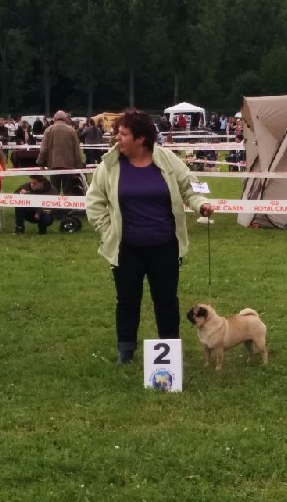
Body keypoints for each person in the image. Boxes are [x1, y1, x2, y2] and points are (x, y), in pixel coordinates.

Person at [86, 108, 215, 365]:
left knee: (167, 301)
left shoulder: (167, 160)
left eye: (123, 134)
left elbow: (190, 187)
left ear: (141, 139)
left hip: (165, 246)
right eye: (117, 134)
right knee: (127, 301)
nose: (117, 139)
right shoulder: (109, 165)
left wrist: (201, 203)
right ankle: (126, 351)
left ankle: (170, 351)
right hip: (126, 248)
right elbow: (94, 201)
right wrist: (107, 230)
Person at [37, 109, 84, 195]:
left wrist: (41, 163)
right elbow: (76, 150)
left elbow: (43, 149)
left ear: (54, 118)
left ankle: (55, 208)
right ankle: (68, 208)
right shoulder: (71, 131)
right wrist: (78, 165)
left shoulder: (48, 130)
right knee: (68, 191)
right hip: (69, 166)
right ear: (65, 119)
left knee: (54, 191)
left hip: (54, 165)